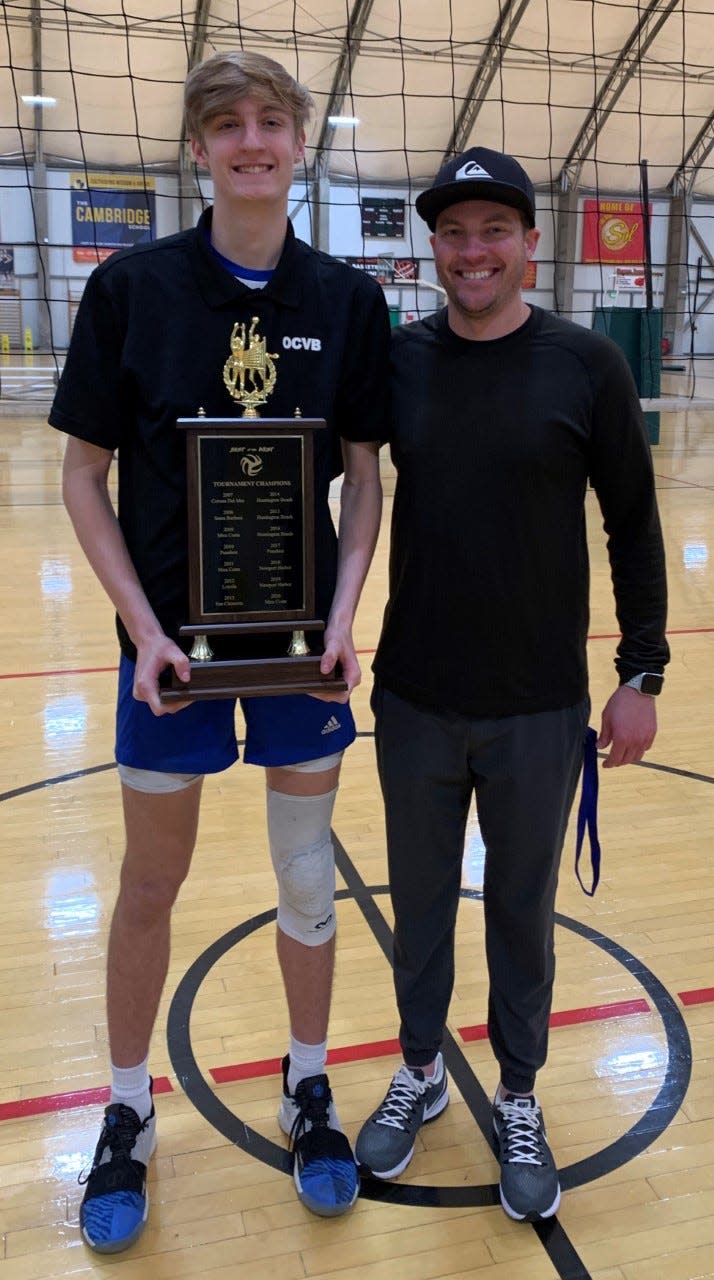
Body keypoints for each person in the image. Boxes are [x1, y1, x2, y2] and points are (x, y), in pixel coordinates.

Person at [50, 50, 389, 1251]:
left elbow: (362, 473)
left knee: (307, 875)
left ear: (300, 143)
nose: (252, 141)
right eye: (227, 124)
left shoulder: (346, 301)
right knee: (151, 881)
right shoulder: (133, 288)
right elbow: (84, 475)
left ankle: (309, 1084)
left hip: (300, 653)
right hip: (172, 662)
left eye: (271, 122)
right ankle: (128, 1107)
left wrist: (345, 614)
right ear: (198, 148)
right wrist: (143, 630)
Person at [354, 146, 669, 1222]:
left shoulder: (587, 364)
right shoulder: (397, 362)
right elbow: (336, 485)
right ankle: (421, 1065)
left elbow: (634, 520)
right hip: (415, 699)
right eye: (454, 231)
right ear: (431, 247)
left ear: (530, 243)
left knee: (522, 915)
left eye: (495, 230)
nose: (473, 250)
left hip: (541, 703)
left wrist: (642, 668)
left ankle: (520, 1091)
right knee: (423, 907)